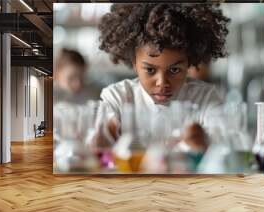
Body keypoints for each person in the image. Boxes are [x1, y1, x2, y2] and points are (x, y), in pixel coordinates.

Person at [97, 3, 230, 150]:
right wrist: (105, 134)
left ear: (189, 62)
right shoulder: (118, 97)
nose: (162, 82)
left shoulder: (205, 97)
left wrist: (205, 141)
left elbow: (224, 140)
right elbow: (99, 141)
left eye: (174, 70)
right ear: (134, 63)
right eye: (150, 70)